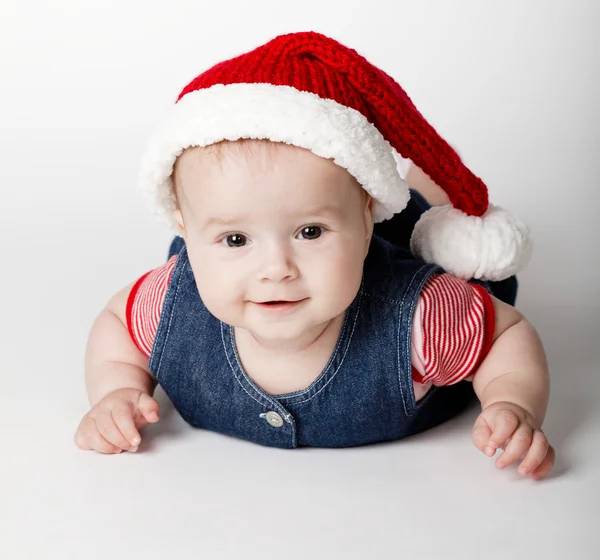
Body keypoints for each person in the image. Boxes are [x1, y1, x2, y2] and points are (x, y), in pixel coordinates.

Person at [74, 32, 554, 479]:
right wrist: (118, 390)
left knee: (424, 223)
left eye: (309, 232)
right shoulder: (170, 301)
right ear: (184, 229)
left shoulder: (421, 317)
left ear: (366, 221)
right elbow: (117, 323)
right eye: (236, 240)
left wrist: (511, 402)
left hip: (385, 253)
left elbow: (504, 334)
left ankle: (421, 188)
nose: (276, 269)